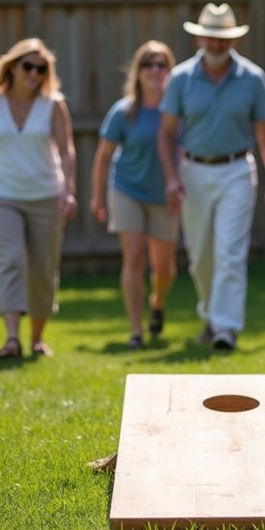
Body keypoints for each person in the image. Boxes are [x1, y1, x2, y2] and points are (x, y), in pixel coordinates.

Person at [158, 2, 265, 351]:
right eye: (211, 38)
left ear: (233, 41)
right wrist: (171, 177)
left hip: (236, 171)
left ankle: (225, 328)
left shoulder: (252, 78)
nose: (217, 45)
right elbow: (167, 132)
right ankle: (210, 315)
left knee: (230, 251)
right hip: (193, 172)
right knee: (201, 257)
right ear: (199, 38)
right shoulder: (182, 78)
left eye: (223, 39)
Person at [0, 38, 77, 359]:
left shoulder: (54, 104)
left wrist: (69, 191)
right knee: (11, 261)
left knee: (44, 269)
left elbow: (67, 151)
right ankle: (12, 338)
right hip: (0, 195)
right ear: (12, 66)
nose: (34, 73)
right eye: (28, 66)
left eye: (41, 69)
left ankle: (37, 338)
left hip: (46, 195)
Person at [90, 40, 179, 350]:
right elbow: (103, 156)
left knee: (164, 269)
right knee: (135, 257)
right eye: (148, 64)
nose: (155, 70)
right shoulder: (124, 111)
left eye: (162, 64)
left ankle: (157, 301)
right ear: (138, 71)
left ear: (170, 71)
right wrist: (97, 197)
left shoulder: (177, 112)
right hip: (126, 189)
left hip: (164, 196)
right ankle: (136, 329)